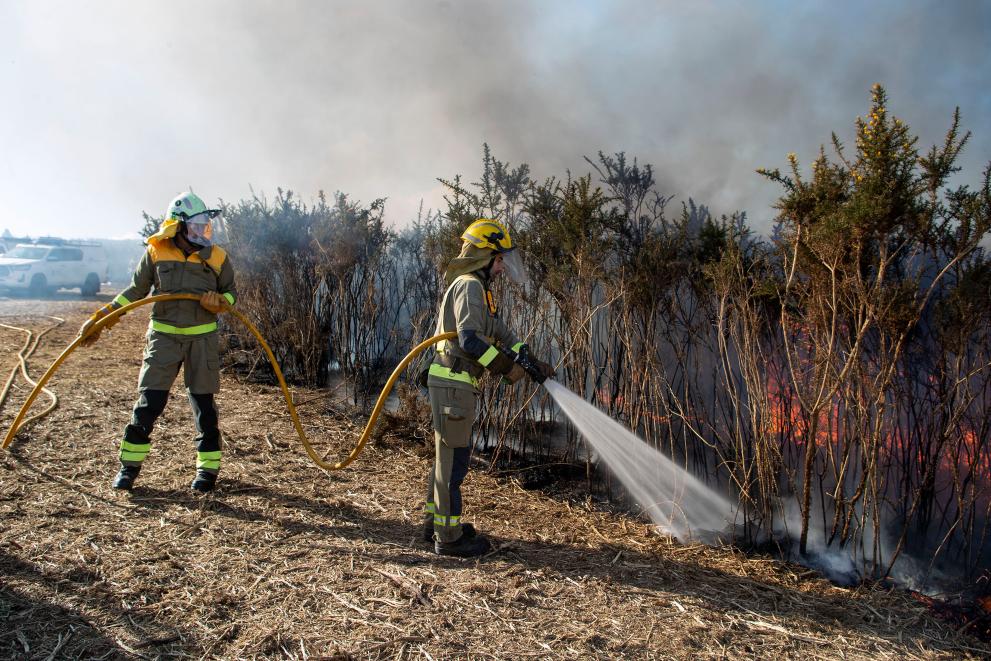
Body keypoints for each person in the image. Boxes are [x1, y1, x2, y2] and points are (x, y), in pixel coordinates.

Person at [78, 191, 237, 493]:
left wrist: (220, 302)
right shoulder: (156, 252)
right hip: (163, 339)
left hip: (201, 341)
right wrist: (103, 316)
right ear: (177, 226)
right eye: (195, 226)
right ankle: (128, 469)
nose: (202, 232)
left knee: (204, 409)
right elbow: (134, 292)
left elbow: (231, 293)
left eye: (205, 226)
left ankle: (207, 473)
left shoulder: (217, 257)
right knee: (149, 404)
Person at [424, 219, 554, 557]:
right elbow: (469, 340)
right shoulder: (469, 285)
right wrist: (508, 367)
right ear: (484, 254)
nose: (501, 268)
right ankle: (449, 539)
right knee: (453, 463)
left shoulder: (475, 288)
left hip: (454, 383)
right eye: (498, 260)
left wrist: (525, 354)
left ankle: (436, 524)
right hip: (454, 382)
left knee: (448, 458)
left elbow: (495, 328)